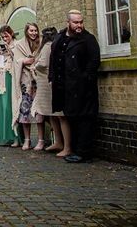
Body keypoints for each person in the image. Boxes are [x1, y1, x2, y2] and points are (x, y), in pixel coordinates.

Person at [50, 10, 100, 163]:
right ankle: (73, 149)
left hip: (83, 88)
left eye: (81, 22)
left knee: (84, 119)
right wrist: (53, 77)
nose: (79, 25)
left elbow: (94, 61)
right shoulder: (61, 38)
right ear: (68, 23)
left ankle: (83, 152)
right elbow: (54, 58)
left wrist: (85, 78)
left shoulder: (88, 39)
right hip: (65, 87)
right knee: (71, 117)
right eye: (75, 22)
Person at [32, 26, 71, 157]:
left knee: (57, 114)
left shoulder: (48, 46)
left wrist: (34, 66)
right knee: (51, 113)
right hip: (46, 83)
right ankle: (59, 142)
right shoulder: (51, 45)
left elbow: (43, 63)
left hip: (47, 84)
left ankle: (65, 144)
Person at [12, 22, 43, 151]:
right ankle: (27, 140)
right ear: (26, 31)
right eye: (31, 30)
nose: (34, 33)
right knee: (25, 112)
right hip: (26, 82)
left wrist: (35, 63)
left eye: (35, 30)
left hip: (38, 81)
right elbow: (16, 62)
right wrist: (24, 61)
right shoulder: (19, 45)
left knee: (39, 111)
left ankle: (41, 140)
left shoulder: (41, 44)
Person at [0, 25, 23, 147]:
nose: (5, 39)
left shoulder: (17, 44)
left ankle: (16, 138)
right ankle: (6, 137)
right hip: (1, 79)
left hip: (11, 78)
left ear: (11, 34)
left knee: (12, 107)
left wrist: (11, 52)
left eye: (7, 36)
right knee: (3, 108)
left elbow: (19, 60)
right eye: (3, 37)